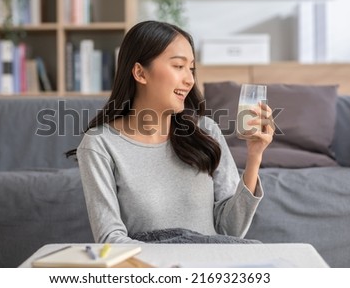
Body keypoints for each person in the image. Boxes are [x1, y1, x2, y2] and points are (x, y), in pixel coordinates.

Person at [68, 20, 274, 243]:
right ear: (140, 73)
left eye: (191, 68)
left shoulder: (206, 132)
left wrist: (255, 156)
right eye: (178, 66)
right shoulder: (100, 144)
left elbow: (230, 230)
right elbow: (111, 239)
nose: (190, 80)